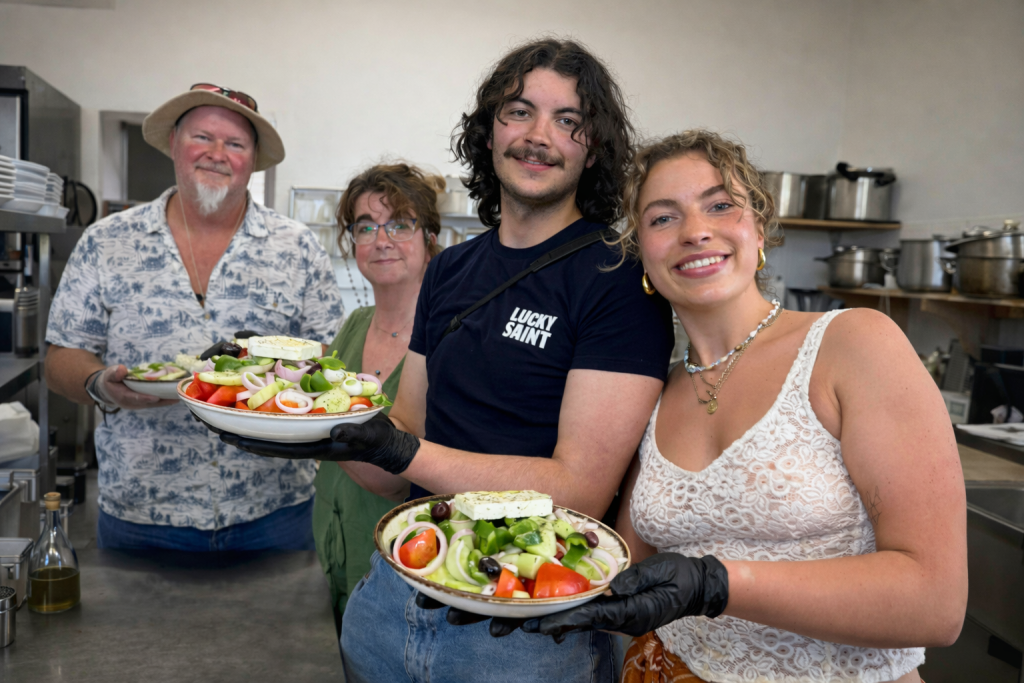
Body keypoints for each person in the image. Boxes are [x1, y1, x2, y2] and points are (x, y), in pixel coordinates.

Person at [222, 38, 675, 683]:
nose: (539, 136)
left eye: (568, 121)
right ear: (489, 131)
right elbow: (399, 443)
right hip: (392, 594)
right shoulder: (453, 269)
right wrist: (299, 422)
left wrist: (400, 452)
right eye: (519, 112)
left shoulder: (617, 278)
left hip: (522, 628)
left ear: (593, 148)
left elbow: (578, 489)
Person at [522, 130, 968, 683]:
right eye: (662, 218)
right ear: (642, 254)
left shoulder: (854, 344)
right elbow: (625, 580)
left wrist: (717, 584)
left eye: (719, 206)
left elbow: (936, 604)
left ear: (759, 231)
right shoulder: (656, 394)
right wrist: (497, 587)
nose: (695, 231)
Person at [45, 84, 344, 551]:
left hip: (274, 509)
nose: (217, 154)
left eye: (235, 143)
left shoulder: (297, 247)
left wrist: (279, 380)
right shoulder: (107, 242)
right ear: (173, 145)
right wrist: (100, 383)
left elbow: (330, 356)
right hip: (141, 510)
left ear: (253, 160)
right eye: (202, 137)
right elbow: (61, 355)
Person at [311, 162, 443, 636]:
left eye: (399, 223)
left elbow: (396, 477)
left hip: (401, 571)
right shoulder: (353, 325)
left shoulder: (446, 342)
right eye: (365, 226)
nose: (380, 239)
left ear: (430, 236)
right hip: (330, 549)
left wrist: (304, 425)